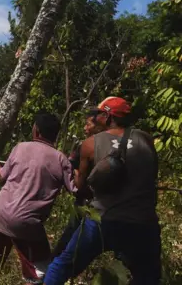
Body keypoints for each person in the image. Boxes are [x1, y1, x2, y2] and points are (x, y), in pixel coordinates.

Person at [43, 97, 161, 285]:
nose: (94, 117)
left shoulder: (91, 144)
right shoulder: (145, 139)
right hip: (143, 222)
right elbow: (152, 176)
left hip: (102, 221)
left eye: (97, 114)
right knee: (147, 277)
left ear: (106, 116)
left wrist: (74, 174)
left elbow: (80, 189)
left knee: (62, 265)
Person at [0, 112, 74, 285]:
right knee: (40, 271)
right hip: (27, 223)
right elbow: (75, 189)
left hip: (1, 214)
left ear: (36, 131)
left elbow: (2, 176)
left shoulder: (20, 147)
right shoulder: (61, 160)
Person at [51, 112, 105, 258]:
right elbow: (70, 166)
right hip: (83, 200)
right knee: (71, 232)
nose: (85, 128)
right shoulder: (84, 146)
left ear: (99, 127)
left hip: (98, 203)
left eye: (89, 124)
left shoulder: (104, 147)